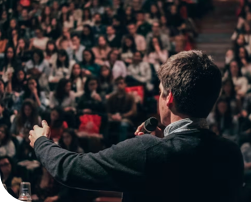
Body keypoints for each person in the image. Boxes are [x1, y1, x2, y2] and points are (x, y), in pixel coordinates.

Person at [29, 50, 244, 202]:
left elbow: (69, 170)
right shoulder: (231, 153)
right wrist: (164, 143)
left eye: (160, 92)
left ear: (169, 98)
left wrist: (41, 142)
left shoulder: (147, 151)